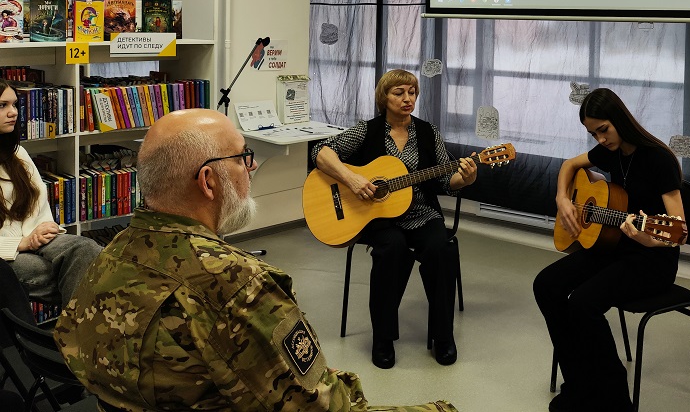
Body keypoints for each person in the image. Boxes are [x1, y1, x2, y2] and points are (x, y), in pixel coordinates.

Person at [53, 108, 458, 412]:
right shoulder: (241, 286)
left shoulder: (111, 251)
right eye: (243, 157)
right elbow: (323, 406)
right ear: (208, 181)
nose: (251, 168)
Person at [533, 88, 686, 412]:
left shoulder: (658, 159)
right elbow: (570, 165)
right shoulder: (611, 151)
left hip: (653, 260)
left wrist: (647, 238)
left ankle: (616, 401)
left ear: (619, 120)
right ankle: (579, 385)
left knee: (583, 303)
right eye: (593, 134)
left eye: (603, 130)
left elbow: (679, 231)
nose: (600, 139)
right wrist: (563, 199)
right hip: (615, 247)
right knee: (546, 285)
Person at [312, 69, 477, 369]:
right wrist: (352, 180)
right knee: (392, 250)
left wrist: (464, 180)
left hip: (422, 213)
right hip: (378, 218)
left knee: (441, 249)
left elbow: (445, 181)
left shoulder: (428, 133)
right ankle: (383, 338)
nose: (407, 98)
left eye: (412, 92)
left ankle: (443, 335)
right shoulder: (367, 130)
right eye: (399, 93)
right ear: (384, 97)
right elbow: (320, 153)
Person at [0, 79, 103, 306]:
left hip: (33, 239)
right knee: (82, 274)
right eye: (2, 105)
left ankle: (76, 326)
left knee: (86, 248)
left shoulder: (17, 154)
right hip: (5, 251)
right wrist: (20, 244)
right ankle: (81, 327)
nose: (13, 112)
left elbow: (37, 201)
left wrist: (43, 229)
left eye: (14, 104)